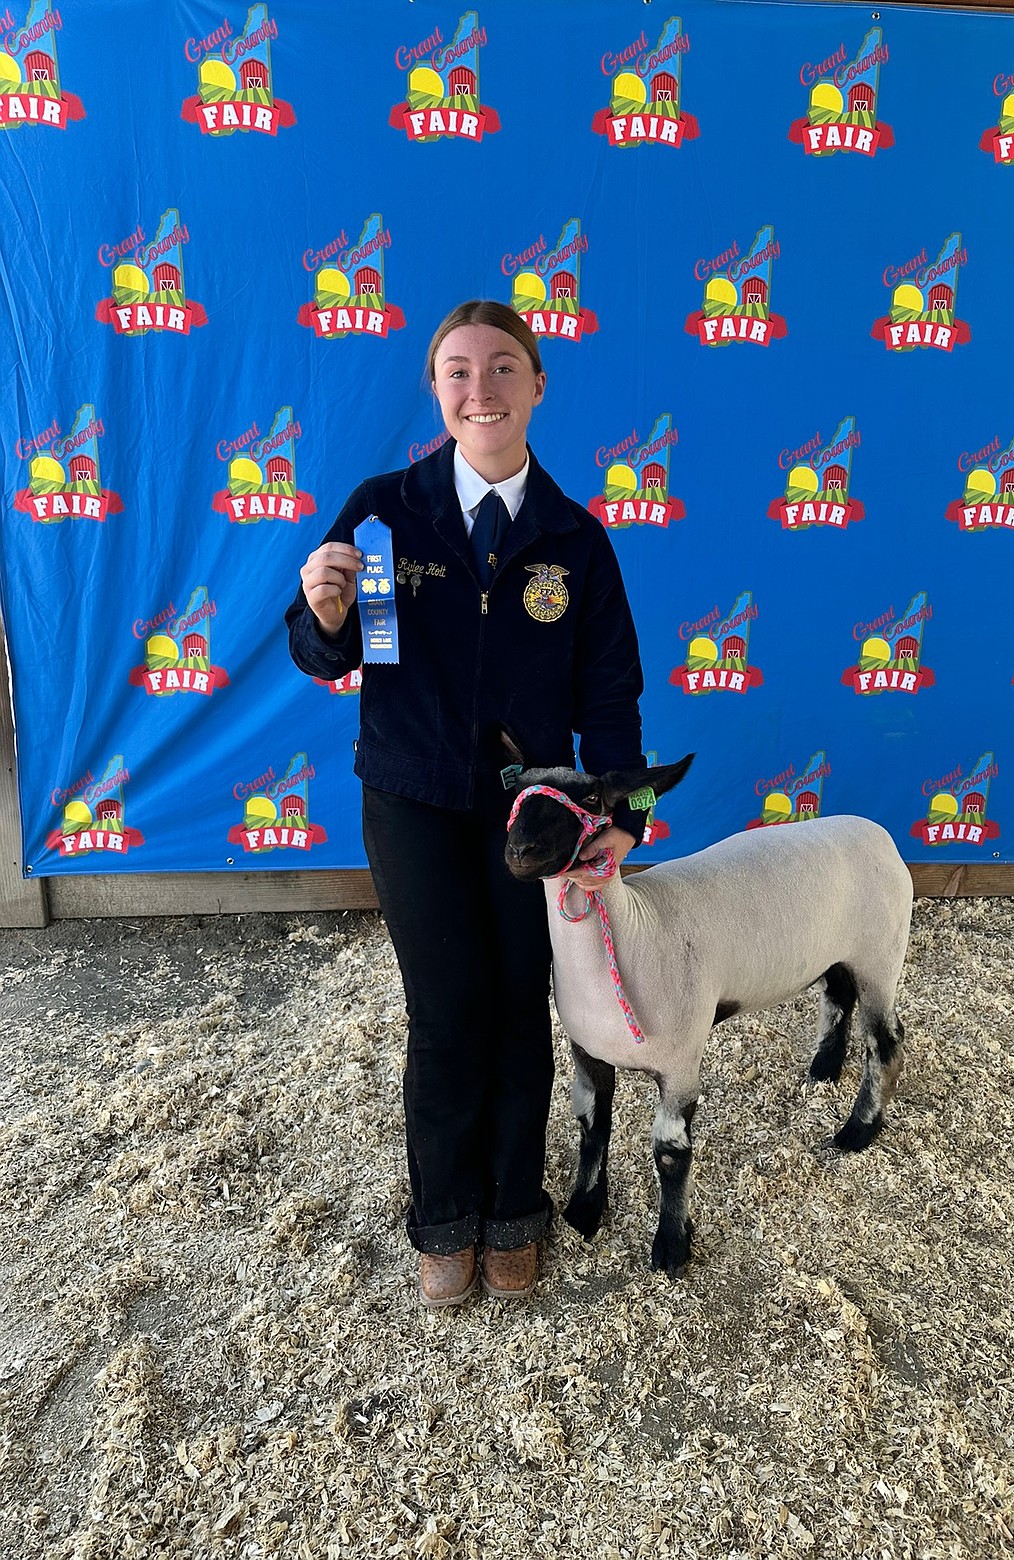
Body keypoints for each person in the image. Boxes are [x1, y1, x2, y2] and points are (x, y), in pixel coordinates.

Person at [287, 300, 648, 1307]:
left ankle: (514, 1209)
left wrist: (622, 813)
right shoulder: (381, 512)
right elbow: (327, 648)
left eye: (501, 368)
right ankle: (444, 1214)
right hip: (409, 802)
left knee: (518, 1014)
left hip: (530, 819)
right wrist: (321, 617)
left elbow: (610, 689)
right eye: (456, 370)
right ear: (435, 389)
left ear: (538, 386)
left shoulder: (575, 539)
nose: (478, 389)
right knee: (445, 1013)